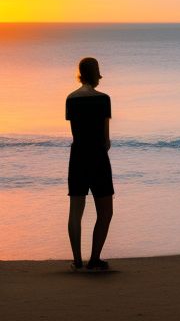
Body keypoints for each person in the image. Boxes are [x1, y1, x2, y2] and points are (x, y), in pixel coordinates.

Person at [66, 57, 113, 271]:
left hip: (78, 157)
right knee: (105, 211)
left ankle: (77, 260)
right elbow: (106, 139)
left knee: (76, 210)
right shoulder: (103, 99)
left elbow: (75, 131)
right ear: (96, 74)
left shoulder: (71, 99)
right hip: (97, 157)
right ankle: (94, 258)